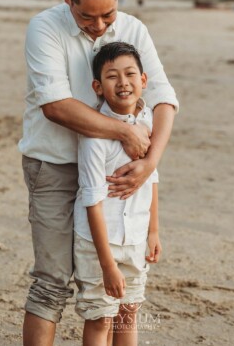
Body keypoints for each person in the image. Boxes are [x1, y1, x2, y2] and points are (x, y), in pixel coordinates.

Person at [19, 0, 178, 346]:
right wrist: (126, 134)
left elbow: (164, 99)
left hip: (117, 176)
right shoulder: (44, 28)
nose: (99, 26)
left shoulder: (133, 29)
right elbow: (56, 105)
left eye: (108, 14)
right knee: (52, 282)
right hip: (53, 167)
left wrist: (150, 162)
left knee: (120, 297)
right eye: (87, 17)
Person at [74, 42, 162, 346]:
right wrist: (108, 265)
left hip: (136, 238)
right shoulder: (94, 139)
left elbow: (152, 178)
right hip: (99, 243)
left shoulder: (148, 121)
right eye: (112, 76)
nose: (123, 83)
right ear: (98, 87)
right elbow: (92, 202)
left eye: (130, 74)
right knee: (100, 319)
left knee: (128, 315)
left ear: (143, 80)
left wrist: (153, 231)